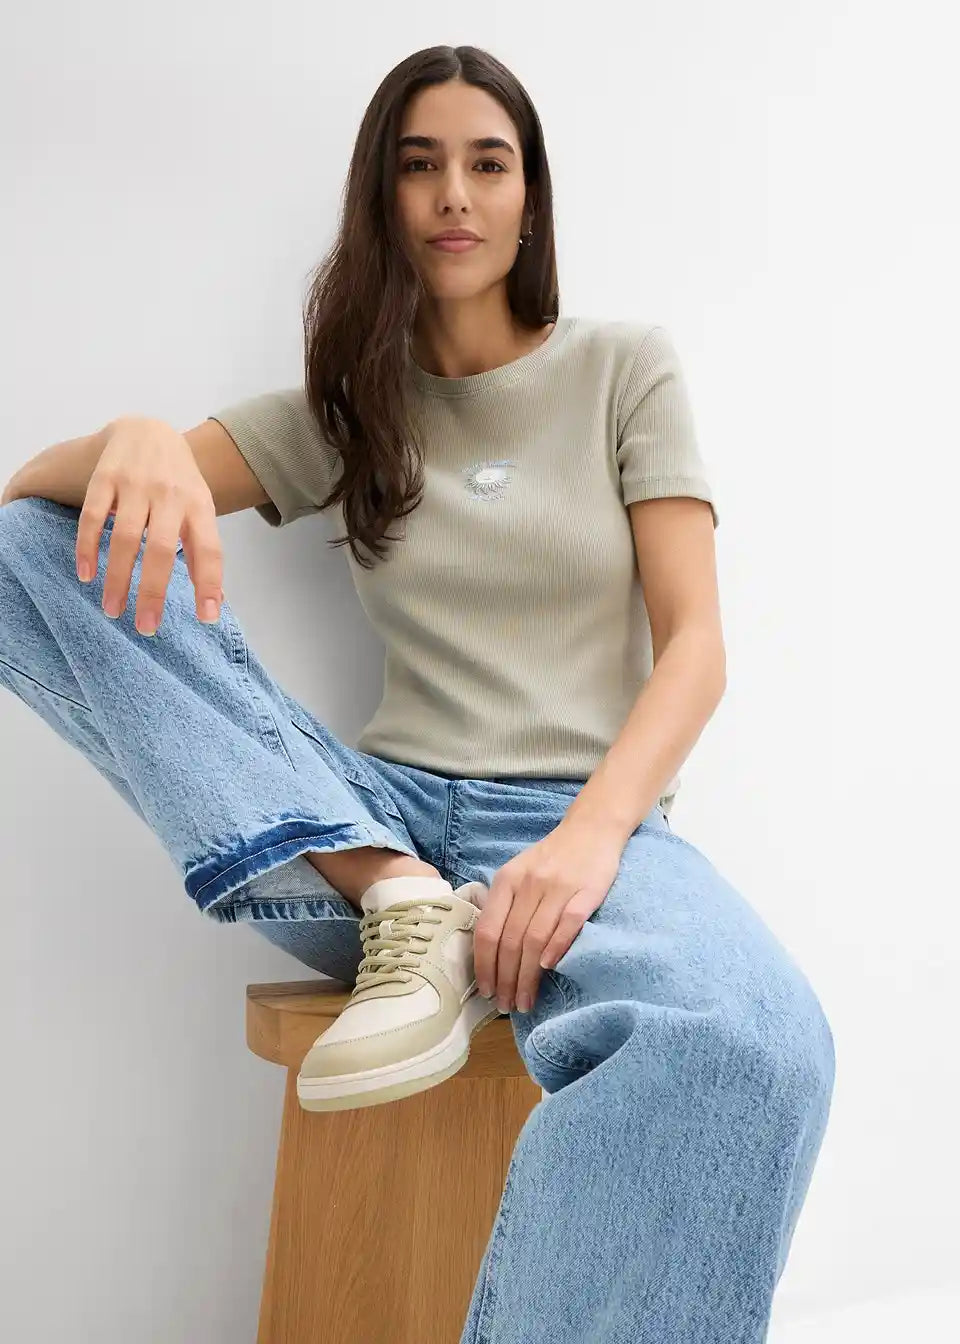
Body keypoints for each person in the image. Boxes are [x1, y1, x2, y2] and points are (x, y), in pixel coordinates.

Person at [0, 43, 834, 1344]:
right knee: (25, 549)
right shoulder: (352, 411)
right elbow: (33, 520)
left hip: (586, 835)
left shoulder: (624, 369)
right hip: (367, 838)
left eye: (487, 163)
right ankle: (404, 901)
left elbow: (697, 646)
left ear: (529, 195)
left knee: (760, 1043)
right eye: (419, 163)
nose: (454, 192)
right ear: (380, 197)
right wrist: (139, 439)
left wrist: (590, 838)